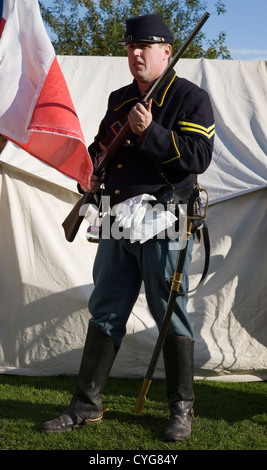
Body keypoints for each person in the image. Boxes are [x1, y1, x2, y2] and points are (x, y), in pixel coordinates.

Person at [40, 13, 215, 441]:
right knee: (106, 310)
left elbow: (197, 158)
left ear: (167, 52)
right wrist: (91, 173)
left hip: (166, 219)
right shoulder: (120, 98)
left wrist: (151, 132)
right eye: (131, 47)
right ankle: (86, 404)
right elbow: (102, 148)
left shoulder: (190, 98)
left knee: (170, 314)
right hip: (119, 218)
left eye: (146, 46)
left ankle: (181, 410)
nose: (136, 54)